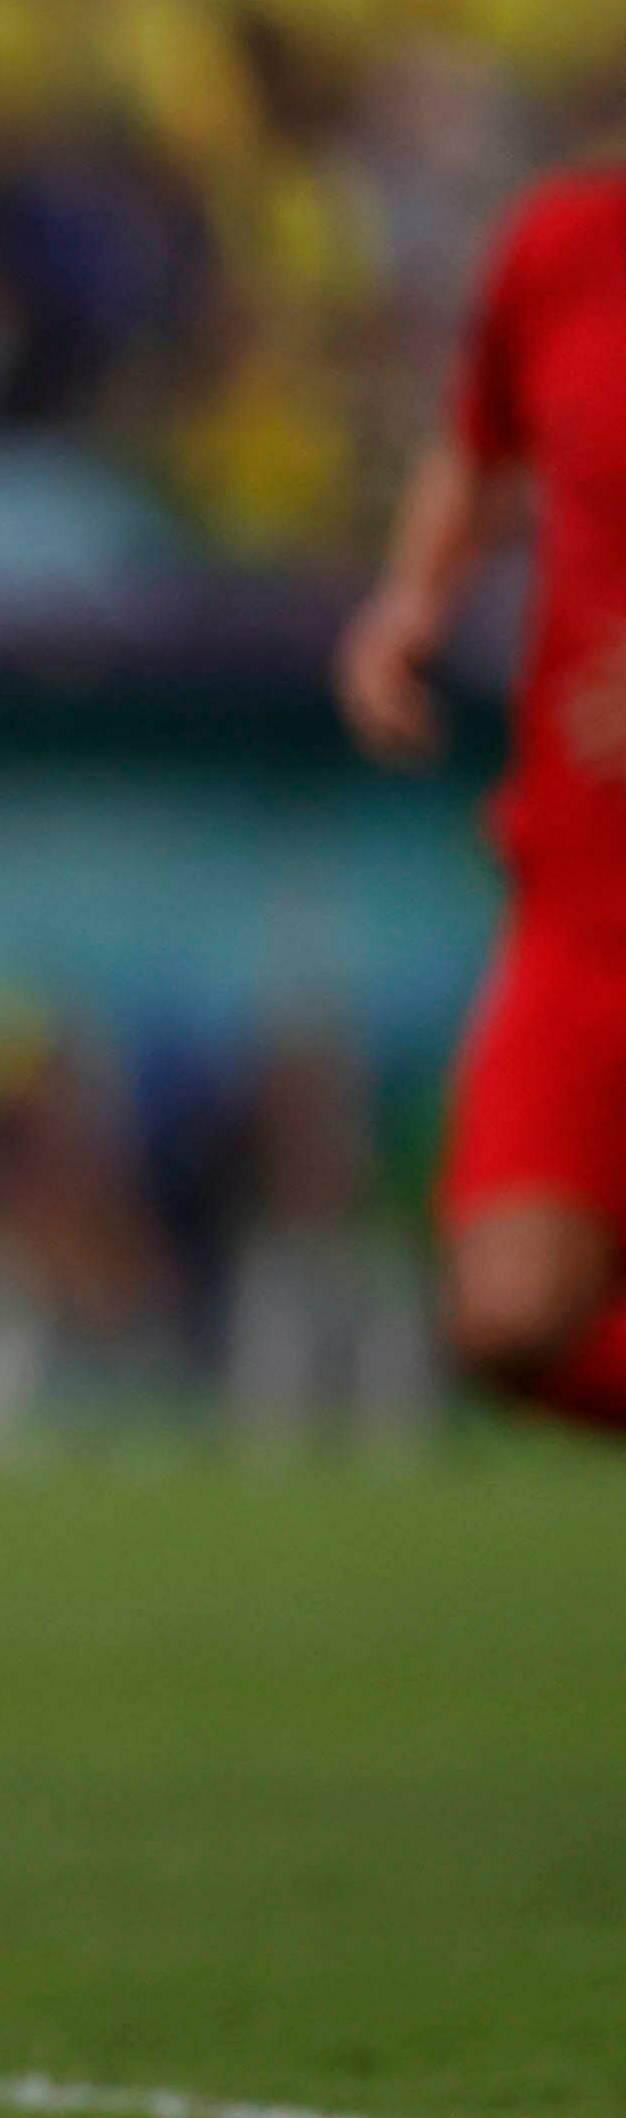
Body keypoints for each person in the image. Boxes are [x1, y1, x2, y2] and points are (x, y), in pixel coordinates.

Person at [342, 169, 626, 1423]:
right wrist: (414, 595)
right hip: (581, 897)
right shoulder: (564, 244)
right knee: (509, 1319)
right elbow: (480, 443)